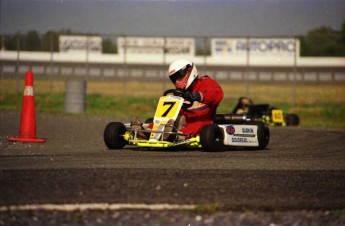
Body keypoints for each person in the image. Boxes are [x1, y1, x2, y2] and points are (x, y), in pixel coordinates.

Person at [168, 58, 224, 139]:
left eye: (179, 76)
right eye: (174, 78)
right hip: (183, 121)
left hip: (202, 121)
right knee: (168, 120)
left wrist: (197, 96)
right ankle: (149, 131)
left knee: (199, 125)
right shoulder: (179, 93)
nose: (177, 81)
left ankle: (175, 136)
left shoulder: (206, 83)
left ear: (189, 71)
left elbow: (217, 94)